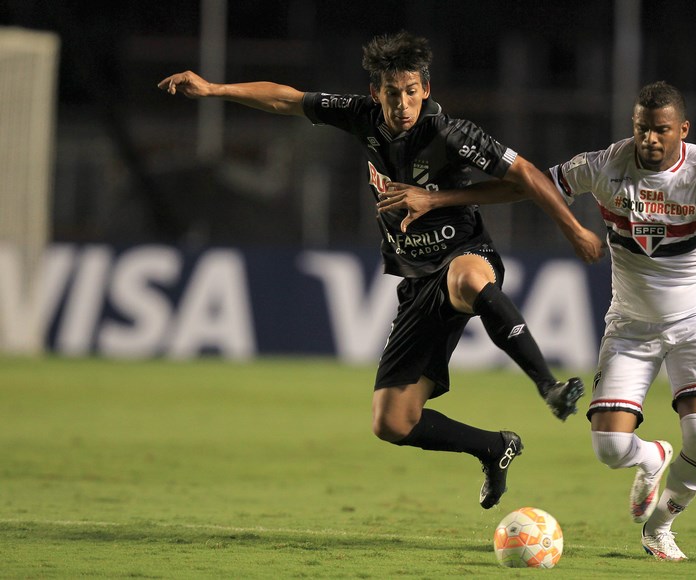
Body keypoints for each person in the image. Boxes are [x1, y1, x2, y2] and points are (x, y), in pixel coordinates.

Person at [158, 31, 604, 510]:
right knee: (391, 422)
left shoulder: (452, 134)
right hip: (416, 279)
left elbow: (526, 177)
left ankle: (548, 385)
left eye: (411, 92)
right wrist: (214, 89)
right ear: (377, 93)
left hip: (465, 251)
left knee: (469, 280)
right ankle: (494, 448)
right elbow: (287, 99)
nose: (402, 104)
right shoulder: (361, 116)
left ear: (425, 90)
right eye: (393, 93)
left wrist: (574, 229)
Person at [377, 81, 696, 559]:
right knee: (609, 446)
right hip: (630, 324)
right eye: (642, 128)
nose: (650, 139)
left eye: (661, 130)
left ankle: (660, 527)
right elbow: (528, 185)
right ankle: (652, 456)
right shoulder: (605, 164)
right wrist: (438, 199)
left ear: (683, 130)